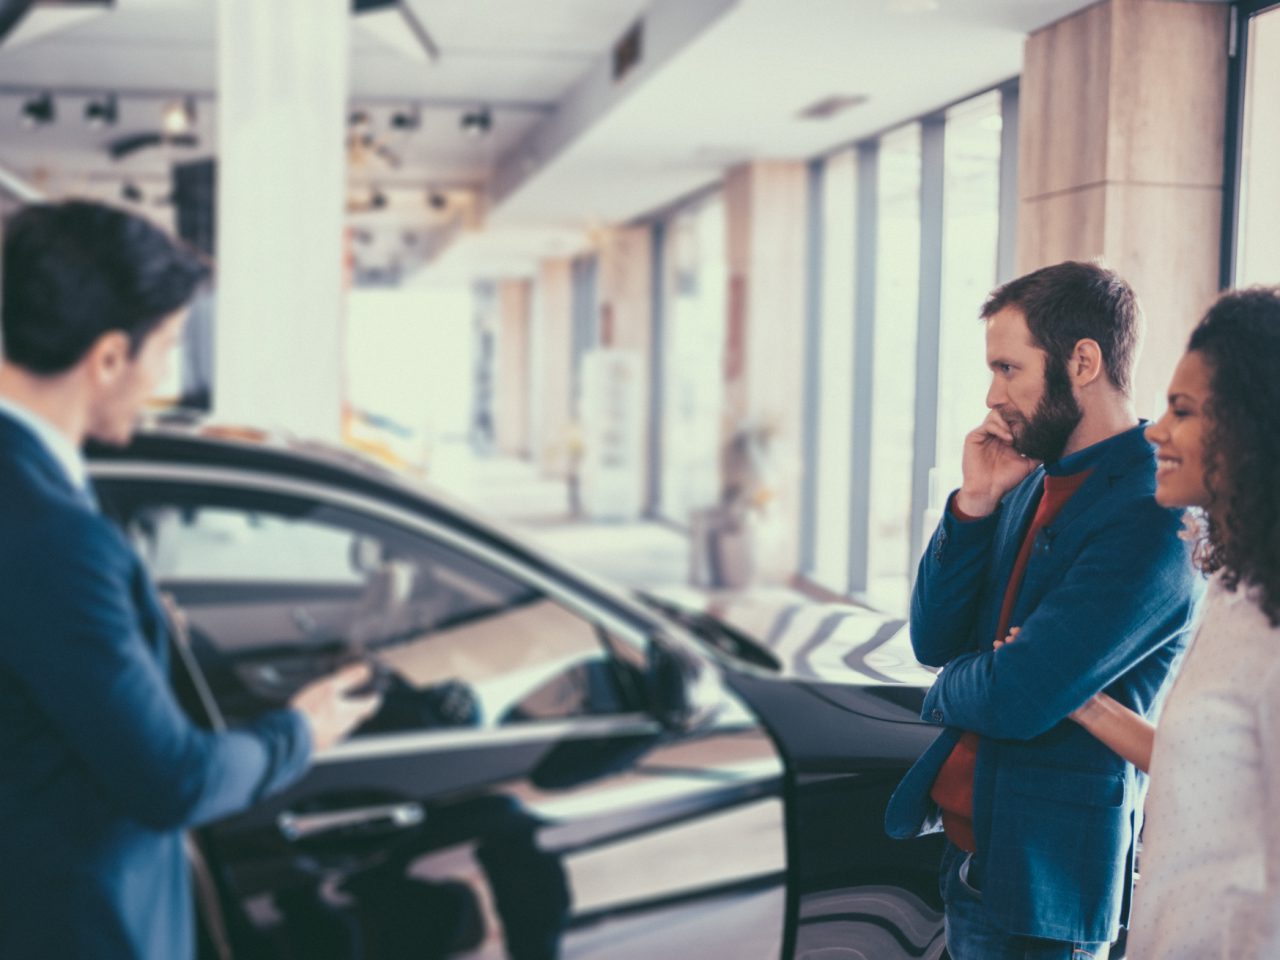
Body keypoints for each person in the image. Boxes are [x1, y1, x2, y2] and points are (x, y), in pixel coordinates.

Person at [0, 200, 382, 959]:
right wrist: (300, 732)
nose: (164, 379)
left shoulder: (38, 495)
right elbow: (173, 780)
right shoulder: (54, 538)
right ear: (109, 357)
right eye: (165, 348)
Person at [884, 261, 1202, 959]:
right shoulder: (1028, 479)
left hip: (1047, 888)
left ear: (1082, 360)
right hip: (975, 860)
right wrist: (975, 505)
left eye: (1008, 368)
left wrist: (950, 690)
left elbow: (1021, 695)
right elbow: (934, 637)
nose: (993, 396)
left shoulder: (1153, 510)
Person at [1040, 287, 1280, 959]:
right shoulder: (1237, 591)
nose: (1155, 430)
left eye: (1184, 411)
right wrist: (1084, 704)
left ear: (1255, 426)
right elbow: (1208, 767)